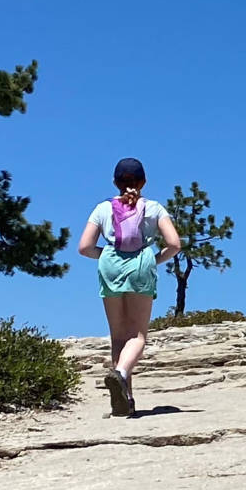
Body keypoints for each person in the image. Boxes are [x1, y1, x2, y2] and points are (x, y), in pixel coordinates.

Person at [78, 158, 182, 418]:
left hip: (109, 264)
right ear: (144, 182)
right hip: (141, 265)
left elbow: (84, 247)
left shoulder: (102, 209)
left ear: (115, 182)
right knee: (137, 336)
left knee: (118, 337)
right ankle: (121, 375)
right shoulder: (154, 208)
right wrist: (155, 260)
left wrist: (106, 254)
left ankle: (124, 401)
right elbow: (174, 244)